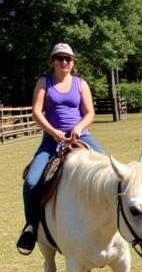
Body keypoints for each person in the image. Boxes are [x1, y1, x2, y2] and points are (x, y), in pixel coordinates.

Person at [16, 43, 105, 255]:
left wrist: (79, 127)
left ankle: (111, 222)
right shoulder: (44, 82)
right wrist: (54, 131)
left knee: (109, 170)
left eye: (68, 58)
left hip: (80, 135)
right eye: (60, 58)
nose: (64, 62)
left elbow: (90, 112)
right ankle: (31, 227)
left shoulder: (80, 84)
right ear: (52, 61)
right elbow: (37, 112)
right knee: (31, 182)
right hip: (51, 139)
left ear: (73, 63)